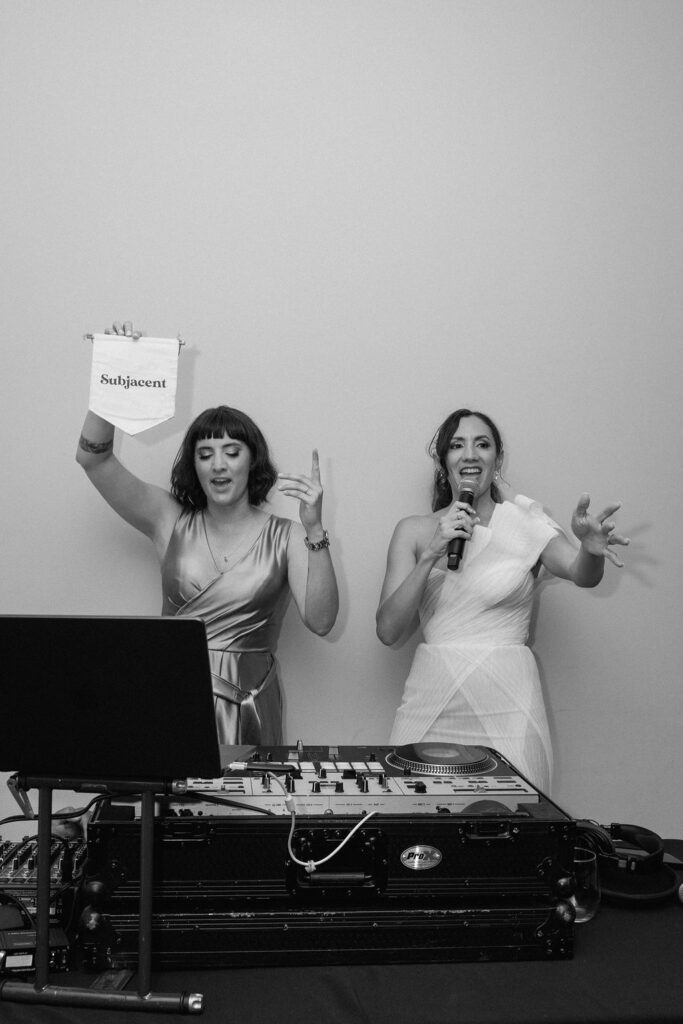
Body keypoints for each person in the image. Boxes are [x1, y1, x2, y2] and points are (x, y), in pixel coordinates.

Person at [77, 321, 339, 745]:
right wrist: (114, 376)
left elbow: (323, 621)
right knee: (169, 810)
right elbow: (94, 460)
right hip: (171, 695)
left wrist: (315, 528)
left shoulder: (288, 535)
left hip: (252, 704)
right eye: (206, 454)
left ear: (251, 462)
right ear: (194, 466)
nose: (219, 464)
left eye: (231, 452)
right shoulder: (169, 520)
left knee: (245, 808)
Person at [376, 408, 628, 792]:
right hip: (433, 697)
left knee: (517, 830)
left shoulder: (526, 523)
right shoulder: (413, 530)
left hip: (509, 704)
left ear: (497, 459)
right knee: (413, 821)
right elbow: (389, 631)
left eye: (482, 444)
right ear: (444, 461)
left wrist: (591, 550)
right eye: (457, 445)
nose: (470, 454)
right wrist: (431, 553)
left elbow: (582, 574)